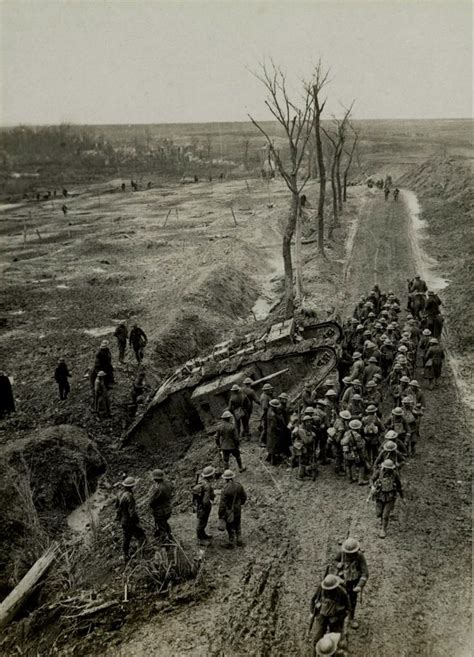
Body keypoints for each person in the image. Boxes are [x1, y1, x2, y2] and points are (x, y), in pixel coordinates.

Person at [334, 538, 369, 629]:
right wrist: (337, 565)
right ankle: (338, 617)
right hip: (342, 581)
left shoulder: (359, 556)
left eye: (352, 553)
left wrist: (359, 586)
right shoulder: (341, 553)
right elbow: (334, 560)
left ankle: (351, 618)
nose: (350, 555)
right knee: (338, 599)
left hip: (353, 583)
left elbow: (365, 573)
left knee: (352, 602)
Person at [310, 574, 351, 646]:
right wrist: (311, 612)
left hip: (335, 618)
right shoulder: (321, 588)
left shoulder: (341, 592)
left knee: (337, 640)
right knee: (316, 639)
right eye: (327, 589)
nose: (328, 591)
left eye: (330, 589)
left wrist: (340, 618)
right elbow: (313, 599)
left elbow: (348, 609)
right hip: (322, 615)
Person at [371, 459, 405, 538]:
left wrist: (403, 497)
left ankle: (383, 529)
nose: (388, 470)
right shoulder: (379, 472)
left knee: (385, 514)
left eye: (389, 468)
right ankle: (382, 521)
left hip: (390, 496)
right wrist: (373, 486)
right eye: (386, 468)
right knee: (379, 513)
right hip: (379, 495)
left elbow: (399, 486)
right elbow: (372, 479)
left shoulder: (395, 474)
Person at [115, 476, 146, 560]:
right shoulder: (129, 496)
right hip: (129, 521)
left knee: (126, 537)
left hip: (123, 520)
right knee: (141, 537)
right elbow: (132, 513)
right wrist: (137, 522)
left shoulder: (119, 493)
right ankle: (140, 556)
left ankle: (125, 555)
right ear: (132, 486)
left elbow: (117, 507)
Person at [218, 469, 247, 548]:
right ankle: (239, 540)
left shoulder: (225, 489)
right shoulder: (239, 485)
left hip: (229, 511)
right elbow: (244, 497)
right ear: (232, 477)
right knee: (238, 523)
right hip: (237, 509)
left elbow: (222, 504)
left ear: (225, 479)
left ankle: (231, 542)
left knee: (229, 525)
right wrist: (240, 504)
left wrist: (221, 514)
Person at [148, 469, 173, 544]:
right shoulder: (169, 484)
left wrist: (151, 505)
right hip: (168, 509)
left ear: (155, 478)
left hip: (160, 512)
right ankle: (169, 534)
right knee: (164, 523)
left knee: (161, 526)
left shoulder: (157, 488)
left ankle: (165, 542)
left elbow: (152, 501)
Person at [193, 465, 215, 543]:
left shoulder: (202, 481)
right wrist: (207, 506)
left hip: (200, 505)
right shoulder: (207, 485)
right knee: (201, 522)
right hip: (203, 507)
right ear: (210, 476)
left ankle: (203, 534)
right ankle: (200, 539)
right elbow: (205, 500)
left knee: (203, 521)